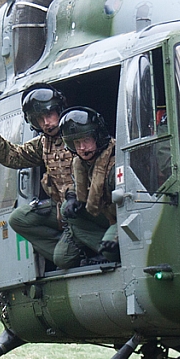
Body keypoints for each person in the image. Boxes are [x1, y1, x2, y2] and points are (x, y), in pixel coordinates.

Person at [0, 84, 74, 264]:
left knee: (64, 258)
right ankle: (71, 248)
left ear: (59, 110)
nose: (46, 123)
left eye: (49, 115)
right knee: (19, 219)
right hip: (62, 209)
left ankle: (73, 250)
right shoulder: (44, 143)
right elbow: (15, 156)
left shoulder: (78, 135)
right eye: (40, 119)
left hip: (84, 206)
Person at [54, 107, 120, 268]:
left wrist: (117, 236)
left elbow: (134, 204)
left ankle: (109, 251)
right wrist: (72, 198)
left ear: (97, 137)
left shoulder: (115, 163)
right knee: (65, 210)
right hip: (105, 216)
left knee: (112, 250)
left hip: (122, 218)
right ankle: (101, 250)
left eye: (86, 140)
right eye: (77, 143)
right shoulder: (81, 164)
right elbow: (77, 186)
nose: (82, 147)